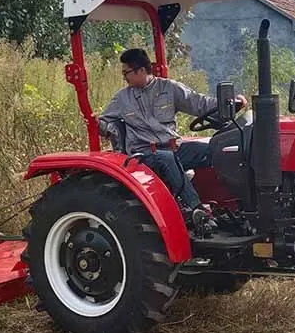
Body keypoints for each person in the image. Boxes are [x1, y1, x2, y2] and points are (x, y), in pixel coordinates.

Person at [97, 48, 246, 226]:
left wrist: (229, 103)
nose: (124, 78)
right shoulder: (122, 98)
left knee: (216, 150)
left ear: (141, 70)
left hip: (173, 147)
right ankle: (196, 209)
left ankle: (237, 205)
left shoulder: (169, 88)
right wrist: (101, 126)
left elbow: (199, 103)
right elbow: (104, 121)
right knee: (168, 159)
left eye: (126, 72)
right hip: (144, 154)